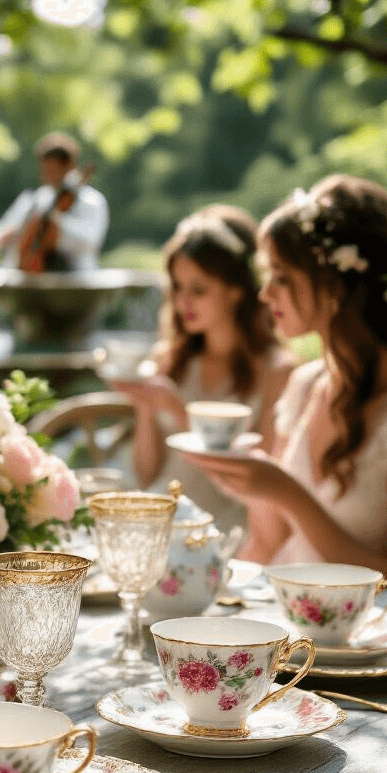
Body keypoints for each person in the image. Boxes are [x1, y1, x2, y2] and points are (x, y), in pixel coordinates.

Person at [181, 175, 387, 609]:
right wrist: (255, 488)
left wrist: (288, 494)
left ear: (335, 287)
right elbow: (270, 545)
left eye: (281, 276)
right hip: (295, 624)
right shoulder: (305, 385)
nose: (265, 294)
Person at [110, 205, 296, 530]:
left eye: (198, 289)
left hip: (228, 532)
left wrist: (180, 415)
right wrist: (144, 406)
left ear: (236, 290)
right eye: (177, 287)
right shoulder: (168, 360)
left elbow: (259, 485)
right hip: (159, 518)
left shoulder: (278, 371)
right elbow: (146, 474)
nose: (184, 303)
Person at [0, 132, 109, 272]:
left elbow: (91, 241)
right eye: (45, 169)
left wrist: (55, 220)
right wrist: (4, 237)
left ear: (70, 166)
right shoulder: (33, 199)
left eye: (54, 170)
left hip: (75, 280)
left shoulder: (91, 201)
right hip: (29, 280)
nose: (48, 175)